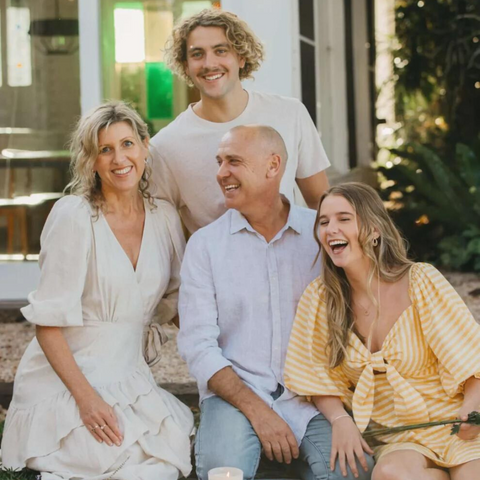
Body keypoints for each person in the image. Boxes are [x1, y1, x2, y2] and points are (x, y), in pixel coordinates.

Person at [1, 102, 194, 480]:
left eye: (127, 144)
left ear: (145, 147)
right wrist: (87, 401)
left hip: (129, 375)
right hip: (68, 381)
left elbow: (177, 301)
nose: (119, 159)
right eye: (105, 149)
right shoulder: (74, 216)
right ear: (90, 161)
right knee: (116, 462)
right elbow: (47, 326)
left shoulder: (164, 217)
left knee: (162, 462)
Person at [177, 126, 374, 480]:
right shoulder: (206, 246)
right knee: (224, 472)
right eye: (219, 162)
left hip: (313, 398)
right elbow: (198, 346)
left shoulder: (321, 235)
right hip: (235, 397)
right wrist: (258, 411)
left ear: (273, 166)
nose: (221, 173)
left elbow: (364, 305)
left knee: (353, 471)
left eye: (233, 161)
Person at [284, 182, 480, 480]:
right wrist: (340, 420)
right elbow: (314, 376)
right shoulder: (321, 298)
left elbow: (472, 359)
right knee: (388, 474)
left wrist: (472, 410)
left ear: (374, 229)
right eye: (324, 222)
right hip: (399, 439)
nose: (331, 229)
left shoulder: (420, 281)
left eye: (344, 219)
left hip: (456, 424)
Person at [150, 8, 330, 234]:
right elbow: (161, 230)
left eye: (220, 50)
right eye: (197, 54)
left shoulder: (290, 114)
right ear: (186, 65)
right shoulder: (165, 147)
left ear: (241, 57)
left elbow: (320, 203)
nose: (209, 63)